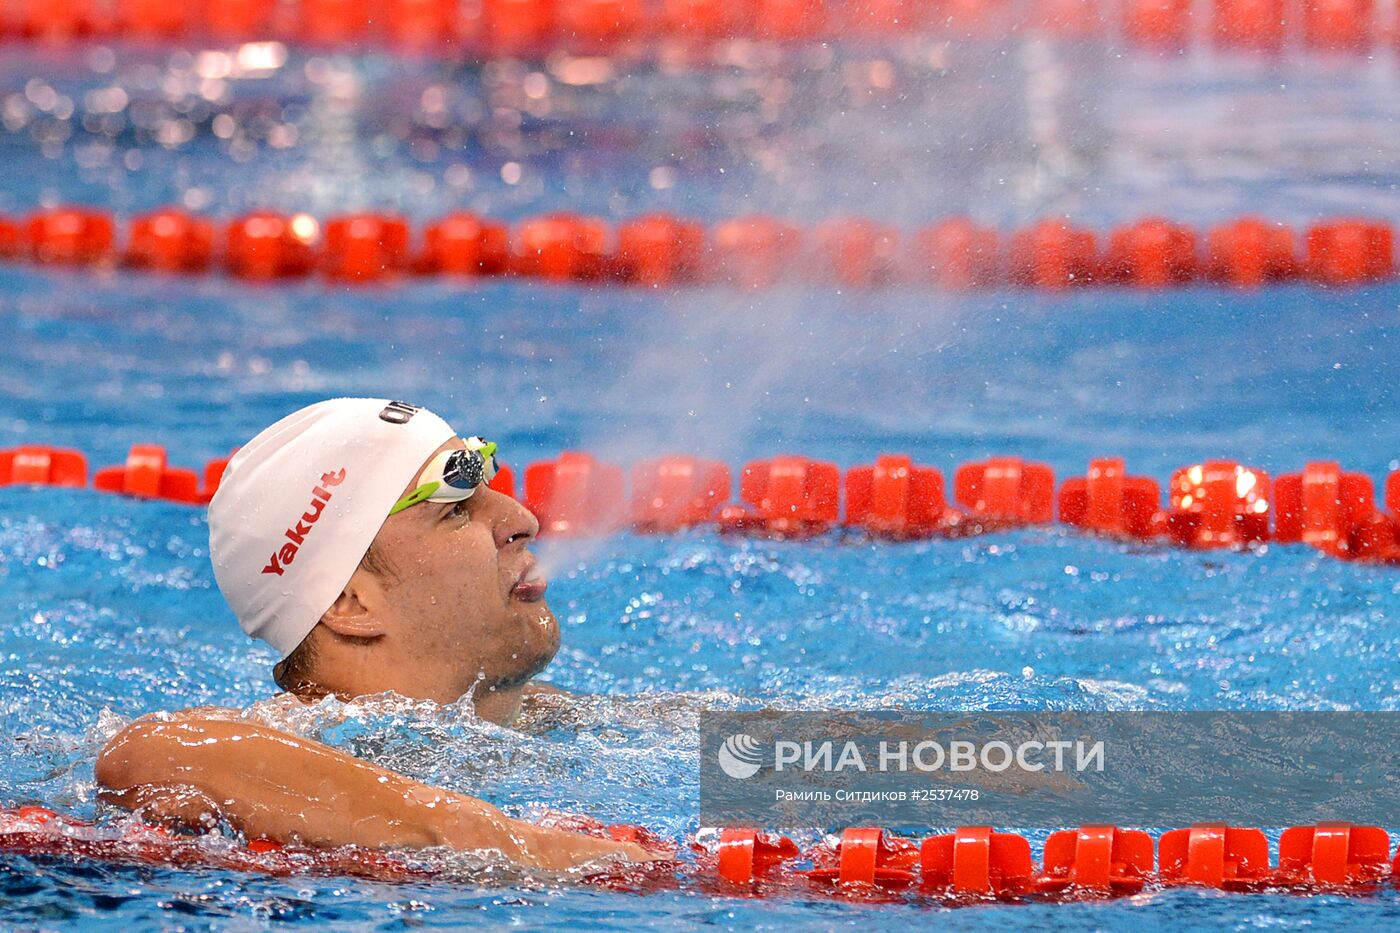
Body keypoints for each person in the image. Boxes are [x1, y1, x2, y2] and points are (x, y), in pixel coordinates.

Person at [95, 398, 661, 872]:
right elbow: (149, 756)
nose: (523, 520)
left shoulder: (557, 720)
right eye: (455, 508)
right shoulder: (283, 741)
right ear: (351, 604)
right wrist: (520, 846)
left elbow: (724, 754)